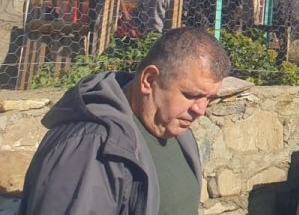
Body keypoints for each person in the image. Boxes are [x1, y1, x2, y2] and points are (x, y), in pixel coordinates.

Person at [20, 27, 230, 215]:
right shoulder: (91, 145)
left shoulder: (177, 132)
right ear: (148, 80)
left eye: (208, 98)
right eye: (191, 95)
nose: (200, 110)